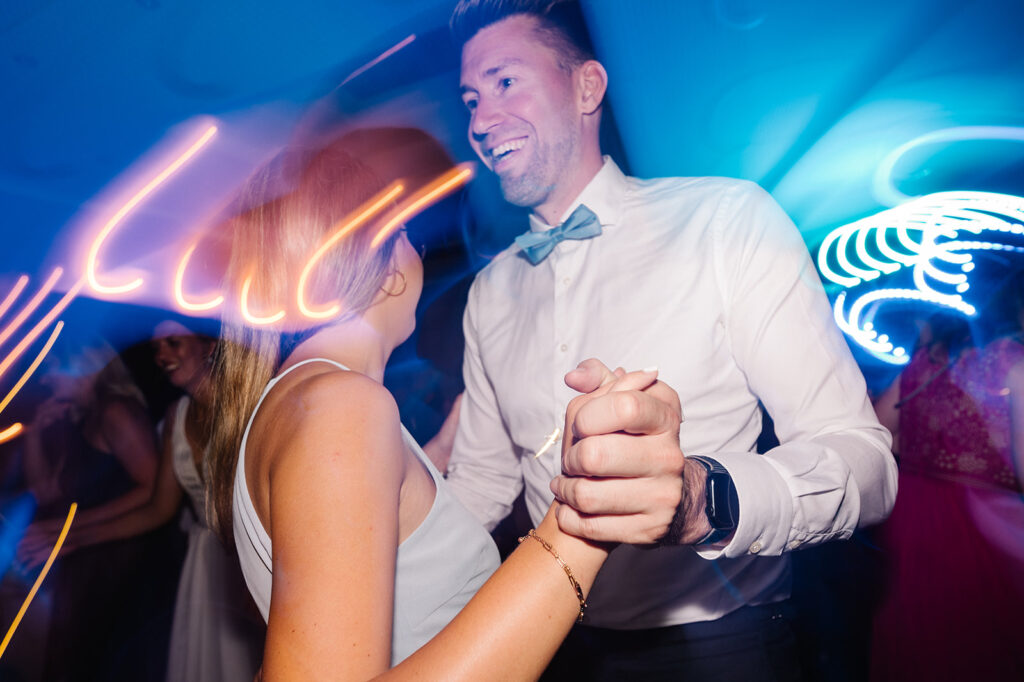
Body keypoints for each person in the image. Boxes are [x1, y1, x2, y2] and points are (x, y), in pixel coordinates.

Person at [445, 1, 899, 678]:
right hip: (556, 646)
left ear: (587, 87)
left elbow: (865, 464)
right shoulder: (490, 292)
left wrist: (701, 500)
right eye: (471, 100)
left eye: (505, 82)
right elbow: (483, 482)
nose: (481, 121)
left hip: (726, 647)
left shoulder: (725, 221)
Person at [205, 142, 674, 680]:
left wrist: (438, 456)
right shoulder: (342, 407)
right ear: (387, 267)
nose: (417, 251)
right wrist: (582, 520)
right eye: (406, 232)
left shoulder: (297, 403)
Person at [23, 319, 264, 681]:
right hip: (203, 562)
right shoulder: (177, 416)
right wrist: (72, 539)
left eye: (173, 343)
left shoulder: (250, 407)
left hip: (247, 555)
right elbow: (158, 509)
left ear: (209, 345)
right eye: (156, 349)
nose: (162, 355)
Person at [870, 300, 1024, 680]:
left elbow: (879, 432)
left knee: (925, 630)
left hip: (916, 508)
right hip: (981, 517)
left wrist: (923, 445)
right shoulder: (1011, 361)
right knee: (982, 637)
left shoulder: (920, 363)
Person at [16, 337, 173, 680]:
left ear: (84, 366)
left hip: (115, 559)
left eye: (53, 367)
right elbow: (47, 492)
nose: (46, 379)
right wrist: (34, 434)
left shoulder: (116, 411)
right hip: (85, 557)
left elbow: (153, 487)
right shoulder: (84, 417)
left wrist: (69, 530)